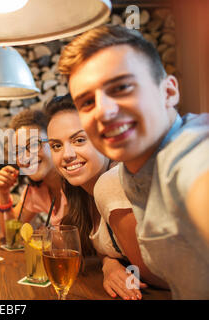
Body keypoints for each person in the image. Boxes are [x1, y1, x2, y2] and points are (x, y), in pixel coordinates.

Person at [58, 25, 209, 299]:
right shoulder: (130, 173)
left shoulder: (192, 152)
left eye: (121, 87)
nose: (104, 110)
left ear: (169, 91)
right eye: (87, 102)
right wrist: (109, 262)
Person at [46, 94, 168, 300]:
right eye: (56, 145)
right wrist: (109, 264)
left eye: (79, 140)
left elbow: (157, 273)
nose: (66, 154)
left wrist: (115, 267)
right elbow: (110, 245)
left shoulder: (111, 183)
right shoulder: (80, 191)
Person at [0, 109, 67, 229]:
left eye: (33, 145)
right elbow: (11, 233)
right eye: (18, 151)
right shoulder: (36, 191)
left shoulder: (77, 183)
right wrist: (4, 193)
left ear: (53, 142)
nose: (25, 157)